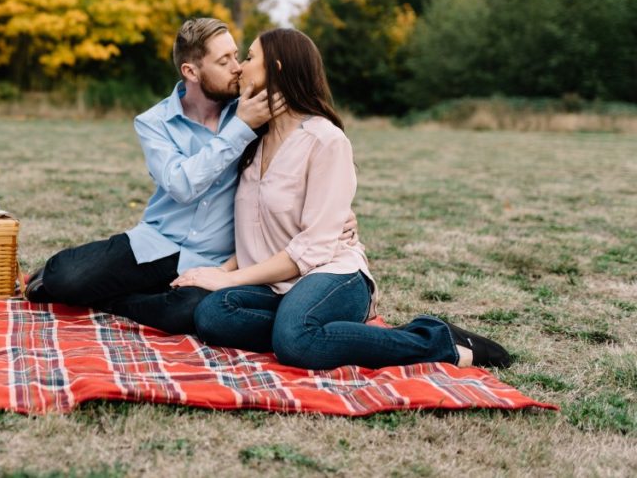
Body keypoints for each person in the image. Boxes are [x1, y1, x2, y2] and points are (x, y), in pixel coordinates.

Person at [172, 28, 512, 369]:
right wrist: (218, 271)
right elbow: (255, 232)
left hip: (332, 273)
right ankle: (318, 329)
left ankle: (436, 340)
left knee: (295, 342)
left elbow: (315, 247)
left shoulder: (325, 140)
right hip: (276, 282)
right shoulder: (252, 141)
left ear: (275, 69)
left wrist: (228, 280)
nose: (240, 68)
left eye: (248, 57)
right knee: (213, 315)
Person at [24, 18, 357, 334]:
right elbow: (182, 186)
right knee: (65, 278)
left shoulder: (255, 112)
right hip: (156, 242)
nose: (237, 67)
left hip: (215, 258)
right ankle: (88, 282)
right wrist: (238, 130)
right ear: (191, 71)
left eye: (237, 56)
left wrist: (339, 214)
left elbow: (300, 169)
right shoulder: (155, 123)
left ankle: (113, 301)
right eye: (224, 60)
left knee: (187, 312)